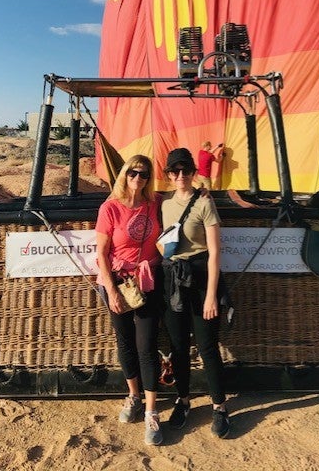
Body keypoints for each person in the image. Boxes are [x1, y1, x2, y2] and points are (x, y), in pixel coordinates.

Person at [161, 147, 230, 438]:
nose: (180, 176)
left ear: (193, 173)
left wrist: (212, 295)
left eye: (185, 171)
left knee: (207, 347)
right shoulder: (163, 204)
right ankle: (184, 399)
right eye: (174, 171)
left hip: (201, 279)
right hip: (174, 280)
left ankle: (219, 406)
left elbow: (215, 253)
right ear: (168, 174)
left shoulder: (204, 204)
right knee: (178, 347)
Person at [95, 155, 163, 446]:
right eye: (133, 172)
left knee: (147, 346)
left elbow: (184, 194)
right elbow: (101, 254)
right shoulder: (110, 208)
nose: (138, 177)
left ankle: (151, 411)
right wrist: (111, 290)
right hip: (118, 283)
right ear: (124, 174)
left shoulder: (156, 203)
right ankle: (133, 395)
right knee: (124, 342)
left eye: (144, 174)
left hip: (147, 282)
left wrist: (204, 191)